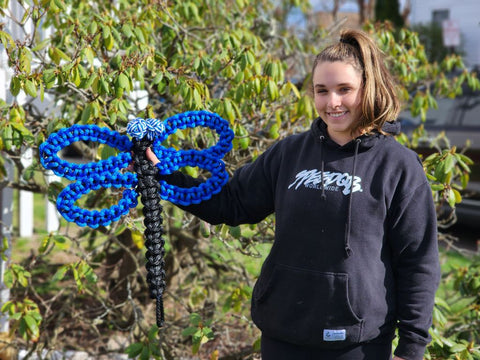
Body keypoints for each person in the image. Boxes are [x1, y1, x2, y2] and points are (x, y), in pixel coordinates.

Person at [146, 29, 441, 360]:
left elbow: (418, 259)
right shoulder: (289, 152)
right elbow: (228, 203)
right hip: (283, 333)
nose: (332, 102)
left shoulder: (398, 165)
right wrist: (163, 175)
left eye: (345, 90)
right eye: (322, 91)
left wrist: (412, 347)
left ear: (368, 89)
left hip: (357, 344)